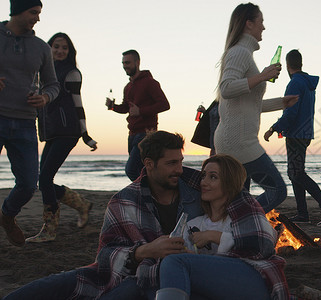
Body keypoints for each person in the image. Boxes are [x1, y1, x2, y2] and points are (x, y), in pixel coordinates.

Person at [3, 131, 204, 300]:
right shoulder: (124, 200)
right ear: (149, 164)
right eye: (171, 163)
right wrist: (144, 251)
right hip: (129, 270)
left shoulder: (199, 189)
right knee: (50, 285)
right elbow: (106, 255)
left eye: (180, 161)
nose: (179, 169)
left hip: (155, 278)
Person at [156, 154, 288, 300]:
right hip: (222, 286)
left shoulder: (245, 215)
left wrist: (214, 236)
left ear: (229, 183)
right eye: (203, 176)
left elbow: (264, 244)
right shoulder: (194, 224)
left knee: (174, 263)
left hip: (255, 280)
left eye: (213, 177)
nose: (204, 183)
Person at [214, 2, 298, 213]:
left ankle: (231, 231)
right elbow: (226, 88)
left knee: (239, 198)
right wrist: (262, 76)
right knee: (277, 191)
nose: (264, 27)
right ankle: (238, 220)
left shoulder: (242, 52)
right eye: (261, 22)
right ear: (249, 23)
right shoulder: (240, 52)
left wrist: (281, 102)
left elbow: (247, 104)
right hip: (240, 142)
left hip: (234, 140)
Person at [26, 32, 98, 243]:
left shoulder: (71, 73)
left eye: (64, 47)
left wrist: (85, 135)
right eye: (56, 46)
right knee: (44, 180)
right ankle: (81, 204)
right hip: (51, 133)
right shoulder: (42, 73)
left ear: (69, 51)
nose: (60, 51)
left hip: (68, 131)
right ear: (49, 48)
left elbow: (78, 104)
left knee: (45, 178)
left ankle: (49, 229)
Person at [0, 0, 60, 247]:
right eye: (33, 12)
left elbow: (53, 85)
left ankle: (7, 217)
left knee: (27, 185)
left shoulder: (41, 48)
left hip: (25, 123)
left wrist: (45, 97)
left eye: (39, 13)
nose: (37, 18)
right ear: (17, 11)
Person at [264, 49, 321, 226]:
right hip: (304, 133)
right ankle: (302, 213)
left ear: (288, 65)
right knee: (295, 173)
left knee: (296, 173)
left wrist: (274, 128)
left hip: (296, 135)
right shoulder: (307, 83)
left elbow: (291, 113)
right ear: (301, 64)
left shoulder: (295, 84)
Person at [105, 49, 170, 181]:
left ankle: (149, 194)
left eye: (128, 62)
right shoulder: (128, 86)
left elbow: (164, 105)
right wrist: (113, 106)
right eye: (123, 63)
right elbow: (126, 108)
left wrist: (141, 111)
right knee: (142, 171)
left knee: (132, 170)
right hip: (132, 134)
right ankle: (148, 197)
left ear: (137, 62)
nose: (125, 66)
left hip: (146, 133)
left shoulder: (150, 83)